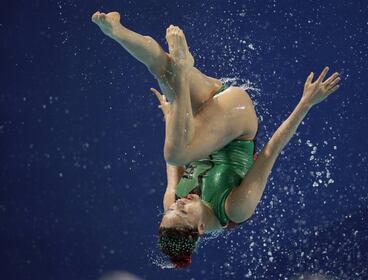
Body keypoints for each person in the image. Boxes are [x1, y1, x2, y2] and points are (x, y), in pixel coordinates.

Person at [91, 11, 341, 268]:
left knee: (161, 69)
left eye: (170, 210)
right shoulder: (234, 208)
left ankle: (116, 31)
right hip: (237, 117)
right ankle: (182, 68)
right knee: (176, 147)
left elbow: (173, 166)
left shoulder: (172, 202)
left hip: (203, 118)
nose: (178, 203)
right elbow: (270, 151)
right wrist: (306, 103)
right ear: (200, 228)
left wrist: (170, 116)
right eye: (184, 211)